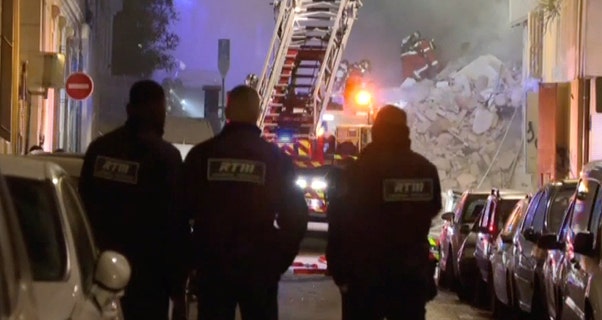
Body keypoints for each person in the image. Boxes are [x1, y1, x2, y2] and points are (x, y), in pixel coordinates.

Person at [184, 85, 308, 320]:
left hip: (213, 267)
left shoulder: (202, 155)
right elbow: (296, 217)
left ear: (227, 112)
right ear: (257, 113)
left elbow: (179, 212)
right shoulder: (276, 159)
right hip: (259, 268)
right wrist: (277, 260)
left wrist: (194, 257)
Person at [78, 80, 190, 320]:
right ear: (160, 112)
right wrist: (178, 290)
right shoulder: (166, 158)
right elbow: (175, 227)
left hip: (97, 278)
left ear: (129, 109)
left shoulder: (100, 150)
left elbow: (81, 210)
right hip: (148, 282)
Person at [326, 105, 442, 320]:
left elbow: (339, 222)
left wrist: (339, 273)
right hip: (409, 278)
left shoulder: (358, 171)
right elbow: (433, 209)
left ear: (375, 131)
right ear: (405, 131)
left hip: (364, 278)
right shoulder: (425, 169)